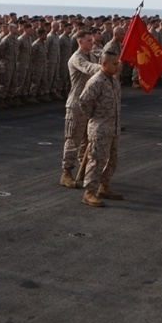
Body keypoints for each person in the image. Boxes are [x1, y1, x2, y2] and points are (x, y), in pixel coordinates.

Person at [78, 52, 123, 207]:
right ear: (104, 64)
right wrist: (93, 117)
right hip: (100, 128)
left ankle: (104, 186)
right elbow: (84, 101)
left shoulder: (114, 81)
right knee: (96, 160)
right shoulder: (96, 81)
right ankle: (89, 192)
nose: (118, 66)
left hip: (113, 127)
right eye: (115, 64)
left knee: (112, 159)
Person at [59, 30, 99, 188]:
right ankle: (66, 173)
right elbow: (89, 69)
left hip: (89, 104)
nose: (92, 43)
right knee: (73, 140)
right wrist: (105, 67)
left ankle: (84, 171)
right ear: (80, 41)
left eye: (92, 40)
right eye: (89, 40)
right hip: (76, 104)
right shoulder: (77, 58)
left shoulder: (93, 56)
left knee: (87, 141)